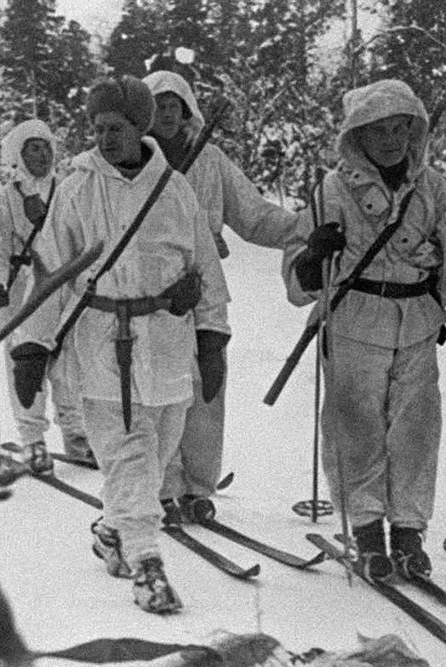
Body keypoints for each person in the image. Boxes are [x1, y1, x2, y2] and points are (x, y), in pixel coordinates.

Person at [15, 76, 229, 614]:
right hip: (102, 345)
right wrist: (32, 344)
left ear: (140, 128)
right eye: (97, 128)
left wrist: (211, 334)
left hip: (168, 347)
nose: (105, 137)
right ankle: (147, 563)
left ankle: (113, 530)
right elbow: (49, 272)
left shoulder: (174, 189)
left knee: (152, 460)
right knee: (128, 455)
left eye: (116, 128)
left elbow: (204, 264)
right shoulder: (77, 188)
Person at [281, 78, 446, 581]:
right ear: (357, 134)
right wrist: (315, 252)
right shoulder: (333, 190)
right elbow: (300, 281)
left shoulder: (434, 189)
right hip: (354, 320)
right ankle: (365, 529)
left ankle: (407, 531)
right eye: (377, 130)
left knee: (416, 431)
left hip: (417, 325)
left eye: (400, 128)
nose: (390, 140)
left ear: (414, 131)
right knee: (354, 428)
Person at [144, 69, 299, 525]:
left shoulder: (208, 159)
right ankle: (164, 485)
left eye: (174, 104)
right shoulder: (135, 161)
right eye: (157, 105)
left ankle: (198, 485)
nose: (167, 112)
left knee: (207, 382)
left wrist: (309, 226)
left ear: (187, 108)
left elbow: (253, 215)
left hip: (205, 286)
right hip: (152, 291)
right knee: (161, 387)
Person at [0, 118, 89, 474]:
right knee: (25, 366)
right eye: (32, 149)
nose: (40, 155)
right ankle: (33, 439)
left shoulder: (67, 189)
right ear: (18, 155)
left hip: (62, 288)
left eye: (45, 147)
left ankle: (76, 433)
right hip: (22, 293)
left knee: (70, 365)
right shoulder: (7, 197)